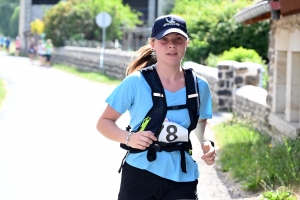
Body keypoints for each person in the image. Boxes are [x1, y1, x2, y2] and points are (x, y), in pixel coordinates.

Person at [96, 14, 216, 200]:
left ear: (186, 43)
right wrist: (129, 138)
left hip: (183, 176)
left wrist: (206, 142)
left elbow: (201, 121)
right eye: (164, 40)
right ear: (153, 44)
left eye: (178, 39)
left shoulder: (200, 86)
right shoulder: (135, 82)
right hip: (140, 173)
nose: (171, 45)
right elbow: (104, 122)